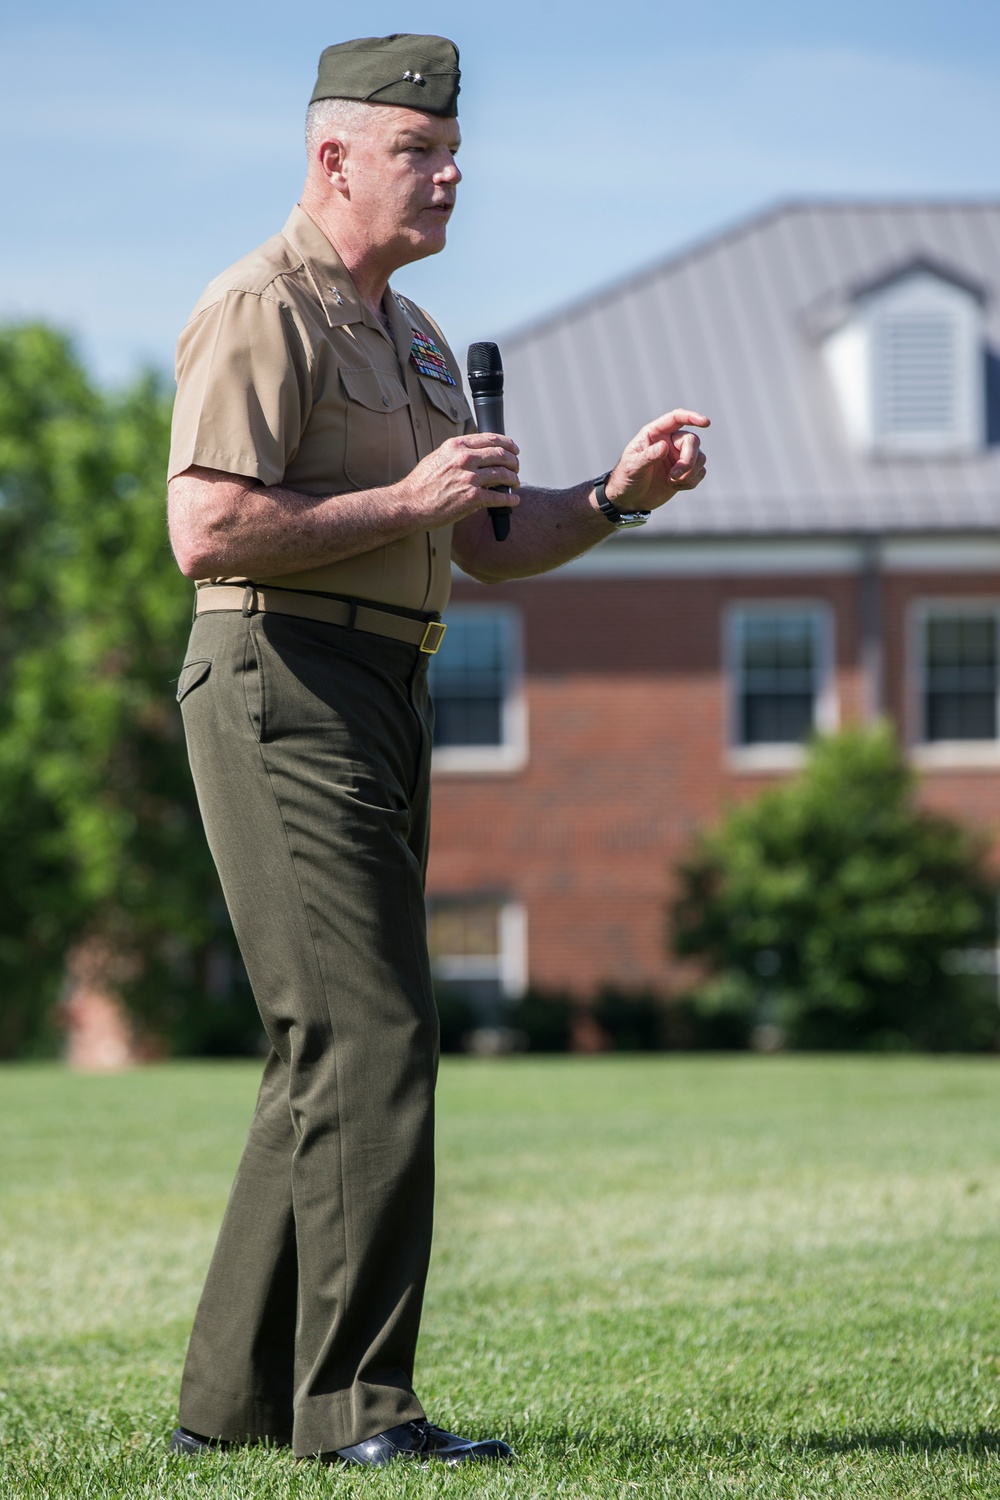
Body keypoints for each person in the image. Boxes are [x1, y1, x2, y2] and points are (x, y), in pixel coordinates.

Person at [165, 33, 708, 1471]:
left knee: (321, 1050)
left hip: (388, 685)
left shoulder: (409, 332)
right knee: (375, 1035)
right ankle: (358, 1414)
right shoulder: (256, 307)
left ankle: (224, 1412)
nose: (450, 169)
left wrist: (619, 495)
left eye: (454, 146)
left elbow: (483, 543)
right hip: (281, 672)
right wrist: (407, 492)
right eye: (419, 149)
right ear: (332, 157)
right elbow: (207, 529)